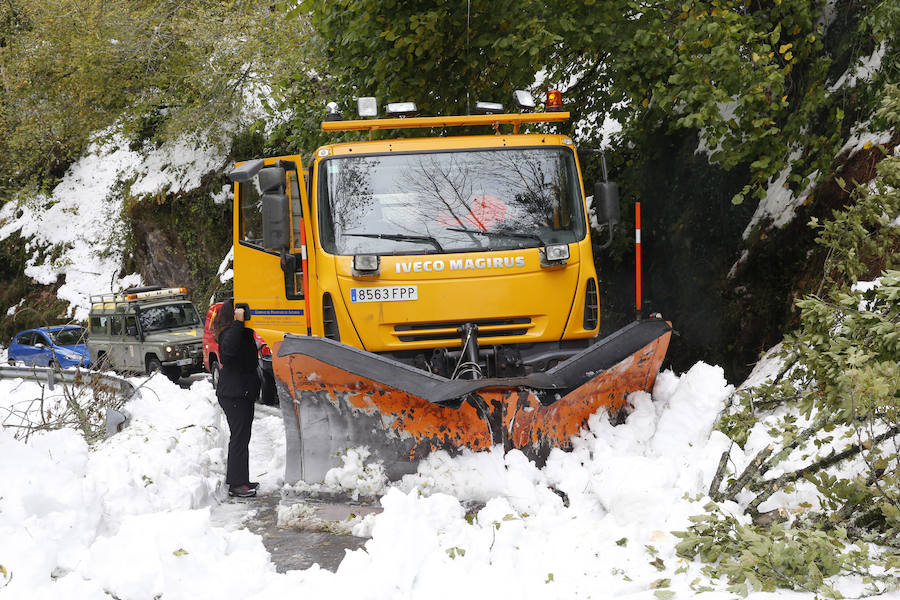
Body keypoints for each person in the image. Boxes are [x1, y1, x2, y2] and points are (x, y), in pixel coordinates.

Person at [212, 298, 261, 498]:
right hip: (234, 394)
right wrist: (238, 323)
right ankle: (235, 484)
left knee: (243, 438)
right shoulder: (227, 334)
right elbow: (227, 354)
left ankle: (242, 479)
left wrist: (242, 326)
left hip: (242, 393)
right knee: (238, 439)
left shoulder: (239, 333)